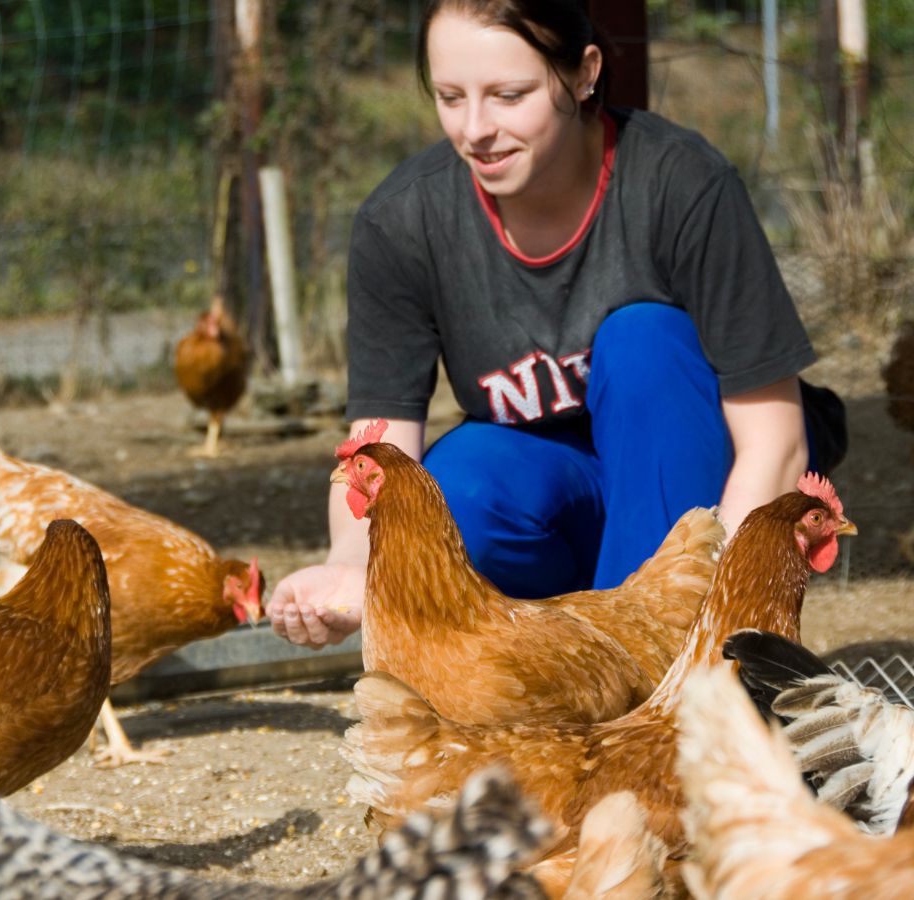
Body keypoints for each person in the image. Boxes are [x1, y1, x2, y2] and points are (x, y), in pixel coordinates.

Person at [270, 0, 846, 649]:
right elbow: (378, 449)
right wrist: (353, 565)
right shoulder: (402, 221)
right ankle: (566, 654)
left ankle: (649, 651)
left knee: (645, 342)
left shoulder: (681, 183)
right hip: (555, 501)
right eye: (450, 98)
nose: (475, 129)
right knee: (455, 488)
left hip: (699, 489)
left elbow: (775, 443)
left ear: (583, 74)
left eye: (509, 96)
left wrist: (716, 616)